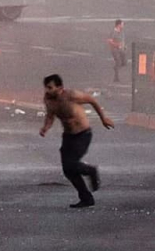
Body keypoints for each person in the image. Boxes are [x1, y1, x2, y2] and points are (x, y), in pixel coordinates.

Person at [39, 74, 115, 208]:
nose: (48, 90)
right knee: (68, 170)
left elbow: (92, 100)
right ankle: (86, 198)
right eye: (46, 87)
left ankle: (90, 171)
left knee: (72, 164)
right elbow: (50, 115)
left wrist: (103, 119)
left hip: (83, 134)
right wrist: (45, 128)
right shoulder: (48, 100)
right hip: (68, 136)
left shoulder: (71, 95)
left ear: (60, 87)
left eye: (50, 87)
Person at [106, 19, 127, 83]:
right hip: (115, 50)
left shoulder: (121, 32)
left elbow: (122, 41)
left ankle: (116, 68)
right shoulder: (113, 32)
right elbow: (109, 41)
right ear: (118, 25)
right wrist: (116, 45)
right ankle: (116, 77)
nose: (123, 25)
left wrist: (124, 46)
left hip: (121, 49)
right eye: (122, 24)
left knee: (124, 62)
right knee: (118, 62)